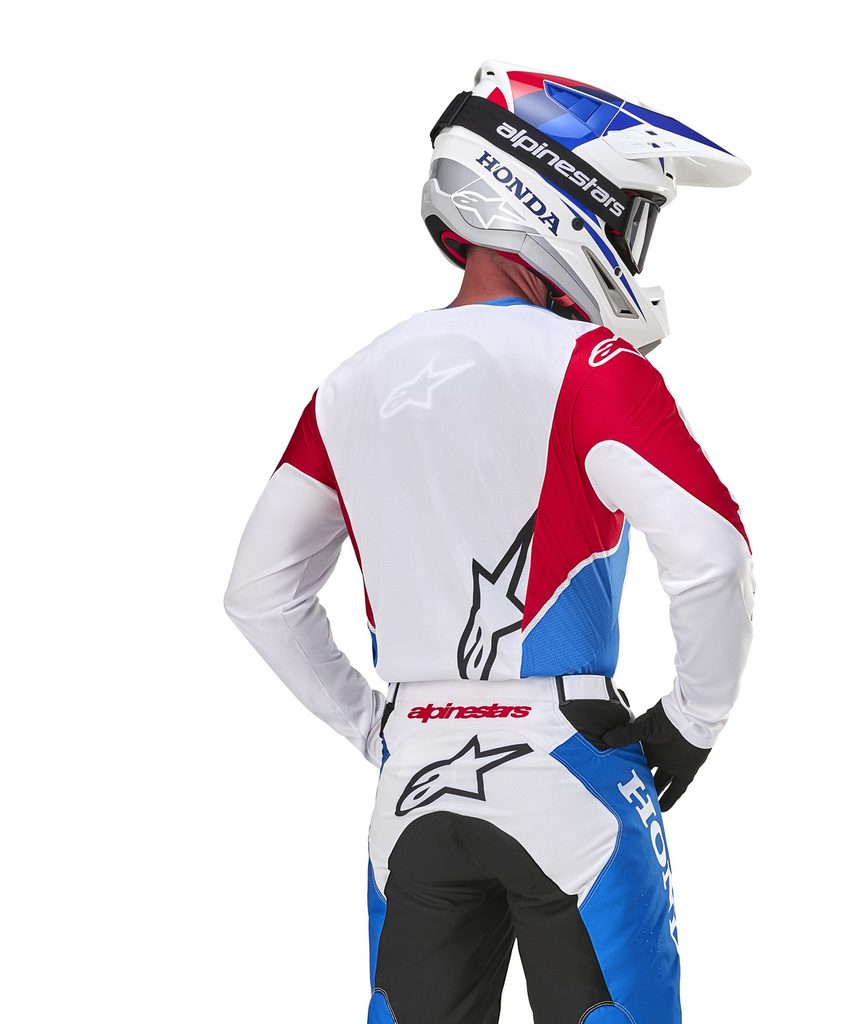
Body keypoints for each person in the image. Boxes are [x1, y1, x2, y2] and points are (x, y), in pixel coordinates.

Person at [225, 60, 754, 1024]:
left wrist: (374, 725)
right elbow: (713, 552)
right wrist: (693, 722)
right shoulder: (594, 364)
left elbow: (259, 593)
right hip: (569, 770)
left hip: (413, 783)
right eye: (630, 218)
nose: (631, 251)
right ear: (559, 197)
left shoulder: (350, 383)